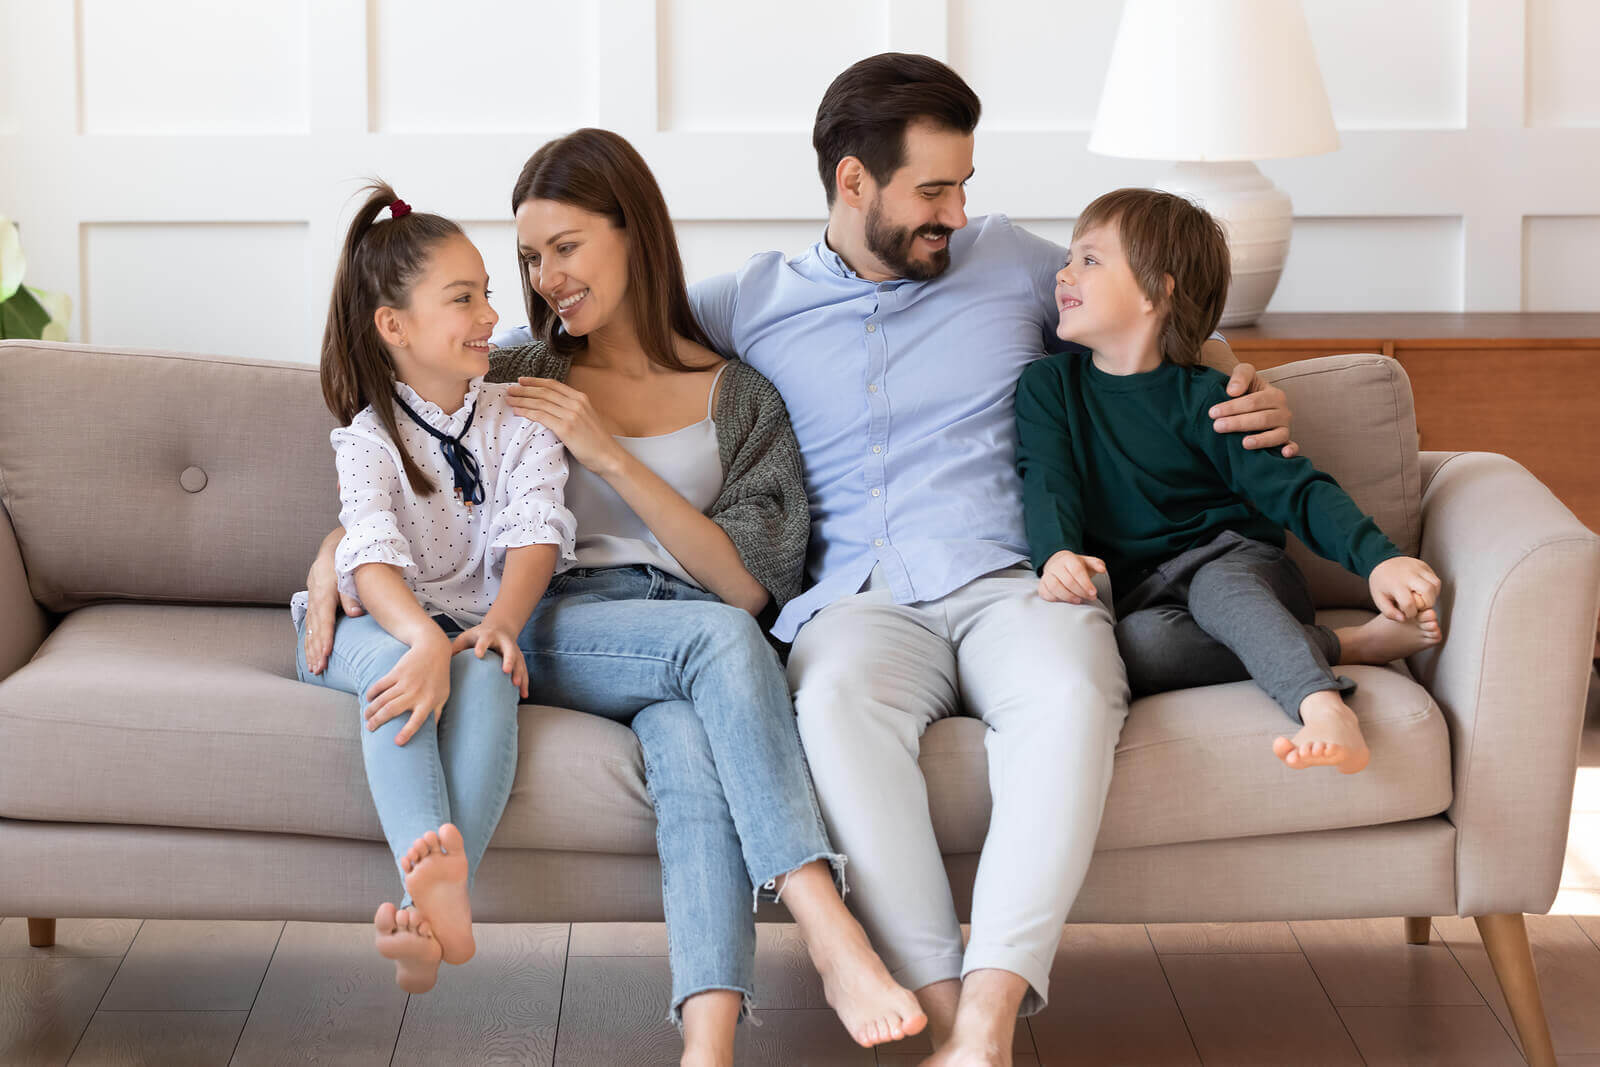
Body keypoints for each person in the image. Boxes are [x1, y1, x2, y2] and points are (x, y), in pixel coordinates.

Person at [679, 55, 1301, 1065]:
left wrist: (1247, 387)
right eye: (931, 190)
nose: (955, 211)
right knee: (832, 707)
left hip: (1021, 579)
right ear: (851, 182)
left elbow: (1157, 309)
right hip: (858, 602)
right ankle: (939, 1004)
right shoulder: (749, 297)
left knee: (1068, 691)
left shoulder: (1010, 260)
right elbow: (573, 341)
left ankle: (990, 1017)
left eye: (962, 184)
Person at [303, 131, 925, 1066]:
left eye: (565, 247)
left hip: (680, 632)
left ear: (632, 232)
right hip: (549, 619)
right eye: (528, 259)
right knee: (715, 645)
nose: (544, 279)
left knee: (689, 745)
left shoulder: (740, 395)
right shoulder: (512, 372)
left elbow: (750, 583)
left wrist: (609, 454)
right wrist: (332, 554)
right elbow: (400, 462)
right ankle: (828, 924)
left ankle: (706, 1044)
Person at [1015, 187, 1444, 776]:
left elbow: (1297, 490)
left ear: (1156, 291)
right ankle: (1348, 645)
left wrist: (1379, 561)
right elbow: (1046, 481)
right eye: (1070, 257)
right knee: (1137, 648)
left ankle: (1323, 707)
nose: (1063, 272)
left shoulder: (1213, 400)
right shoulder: (1049, 387)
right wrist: (1057, 552)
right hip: (1142, 593)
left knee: (1222, 589)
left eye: (1089, 259)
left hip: (1237, 565)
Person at [290, 183, 577, 995]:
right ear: (395, 326)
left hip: (464, 620)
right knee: (400, 664)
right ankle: (435, 889)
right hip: (367, 623)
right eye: (464, 298)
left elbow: (536, 529)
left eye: (488, 292)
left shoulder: (519, 420)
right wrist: (420, 641)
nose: (491, 313)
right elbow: (370, 552)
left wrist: (505, 625)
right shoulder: (368, 436)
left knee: (483, 666)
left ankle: (432, 914)